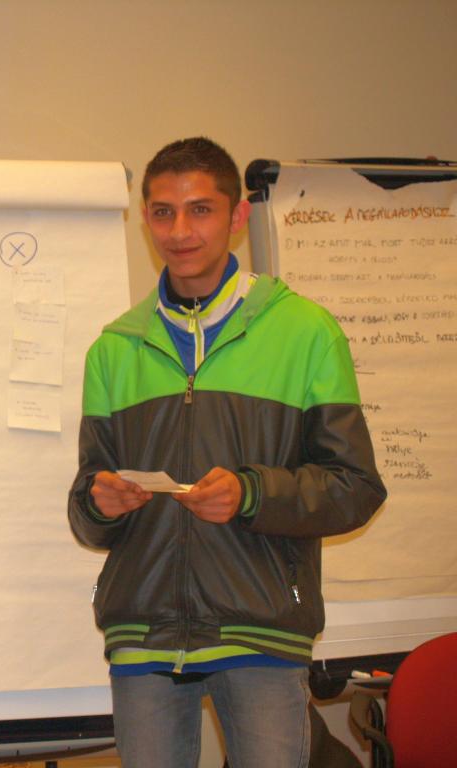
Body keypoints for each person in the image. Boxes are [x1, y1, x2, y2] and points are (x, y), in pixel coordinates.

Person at [67, 137, 387, 767]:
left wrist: (252, 494)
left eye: (200, 210)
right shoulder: (114, 348)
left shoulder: (305, 332)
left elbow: (356, 487)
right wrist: (101, 503)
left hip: (261, 629)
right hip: (145, 634)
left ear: (237, 216)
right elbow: (87, 510)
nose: (180, 231)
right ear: (145, 219)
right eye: (163, 212)